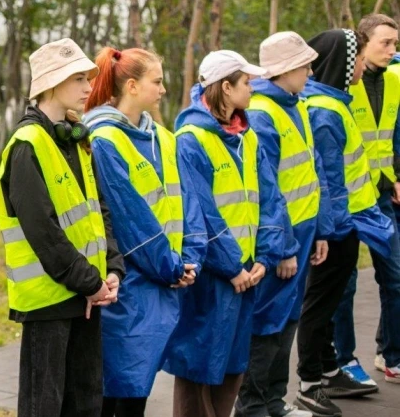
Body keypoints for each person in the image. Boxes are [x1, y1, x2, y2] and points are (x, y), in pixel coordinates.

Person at [0, 38, 123, 417]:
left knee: (84, 402)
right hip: (49, 301)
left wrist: (112, 269)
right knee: (44, 406)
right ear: (51, 83)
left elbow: (99, 211)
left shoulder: (77, 139)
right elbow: (43, 233)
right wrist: (91, 282)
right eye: (78, 78)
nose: (87, 87)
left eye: (87, 78)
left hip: (86, 293)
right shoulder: (27, 144)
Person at [78, 46, 200, 417]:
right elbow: (130, 221)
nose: (163, 89)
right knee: (118, 387)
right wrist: (172, 268)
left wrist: (190, 259)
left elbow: (189, 202)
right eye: (157, 81)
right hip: (131, 283)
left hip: (166, 279)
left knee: (139, 385)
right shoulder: (104, 140)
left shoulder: (163, 137)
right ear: (131, 86)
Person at [166, 50, 286, 417]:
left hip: (247, 272)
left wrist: (265, 257)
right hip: (215, 274)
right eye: (247, 82)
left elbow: (270, 197)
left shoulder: (246, 135)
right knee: (198, 363)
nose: (253, 89)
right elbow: (199, 213)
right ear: (225, 87)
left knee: (233, 363)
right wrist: (232, 267)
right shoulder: (190, 139)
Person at [295, 28, 394, 416]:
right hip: (337, 226)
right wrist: (332, 230)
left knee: (330, 297)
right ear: (343, 62)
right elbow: (329, 180)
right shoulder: (324, 109)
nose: (361, 65)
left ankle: (329, 368)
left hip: (347, 222)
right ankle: (308, 382)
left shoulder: (334, 101)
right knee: (320, 303)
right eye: (355, 57)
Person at [235, 32, 332, 417]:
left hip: (304, 233)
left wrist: (320, 229)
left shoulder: (295, 104)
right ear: (286, 70)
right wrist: (283, 247)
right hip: (283, 240)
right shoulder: (263, 114)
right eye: (305, 65)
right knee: (268, 324)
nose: (310, 70)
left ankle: (273, 401)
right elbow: (265, 189)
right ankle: (254, 405)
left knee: (287, 320)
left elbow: (311, 170)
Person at [331, 14, 400, 386]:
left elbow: (394, 134)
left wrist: (394, 177)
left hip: (380, 196)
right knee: (346, 287)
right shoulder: (343, 84)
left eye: (395, 43)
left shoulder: (395, 81)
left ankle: (392, 356)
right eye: (385, 43)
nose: (392, 50)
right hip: (346, 200)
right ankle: (344, 360)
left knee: (396, 278)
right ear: (363, 44)